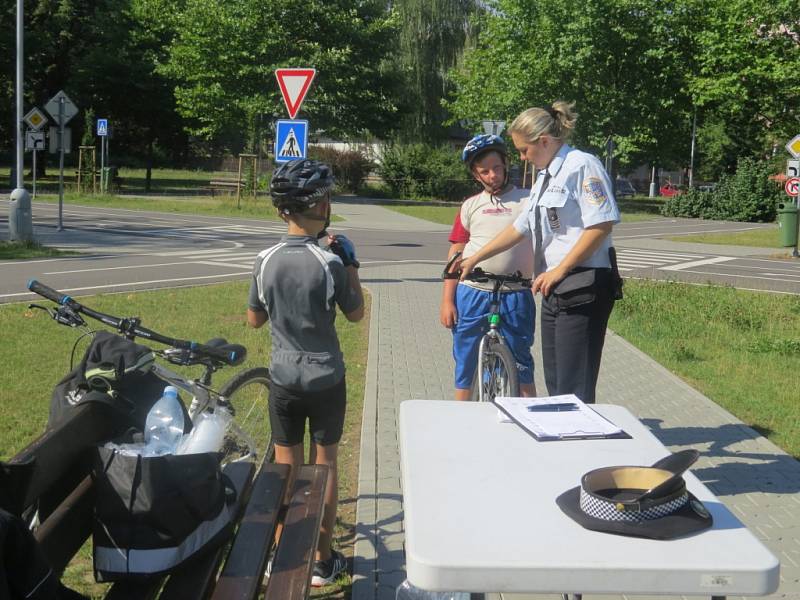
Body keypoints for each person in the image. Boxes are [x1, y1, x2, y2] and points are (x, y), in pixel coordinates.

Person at [247, 159, 364, 586]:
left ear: (282, 212)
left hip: (283, 378)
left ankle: (283, 551)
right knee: (325, 466)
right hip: (326, 378)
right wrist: (350, 260)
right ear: (320, 206)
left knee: (286, 469)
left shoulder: (264, 260)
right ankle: (322, 558)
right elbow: (355, 313)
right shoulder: (329, 261)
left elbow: (254, 320)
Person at [459, 102, 621, 404]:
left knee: (575, 386)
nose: (522, 158)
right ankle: (562, 438)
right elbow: (520, 228)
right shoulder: (545, 178)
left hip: (583, 284)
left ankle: (578, 442)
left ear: (543, 142)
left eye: (523, 150)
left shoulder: (581, 166)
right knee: (557, 382)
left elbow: (601, 224)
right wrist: (475, 258)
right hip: (554, 286)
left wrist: (560, 270)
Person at [441, 133, 536, 400]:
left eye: (496, 168)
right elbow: (456, 254)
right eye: (485, 171)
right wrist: (447, 300)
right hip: (473, 292)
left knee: (522, 362)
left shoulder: (528, 200)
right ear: (476, 175)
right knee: (466, 359)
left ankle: (530, 417)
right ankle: (461, 417)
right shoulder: (471, 205)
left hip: (515, 292)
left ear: (506, 164)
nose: (492, 175)